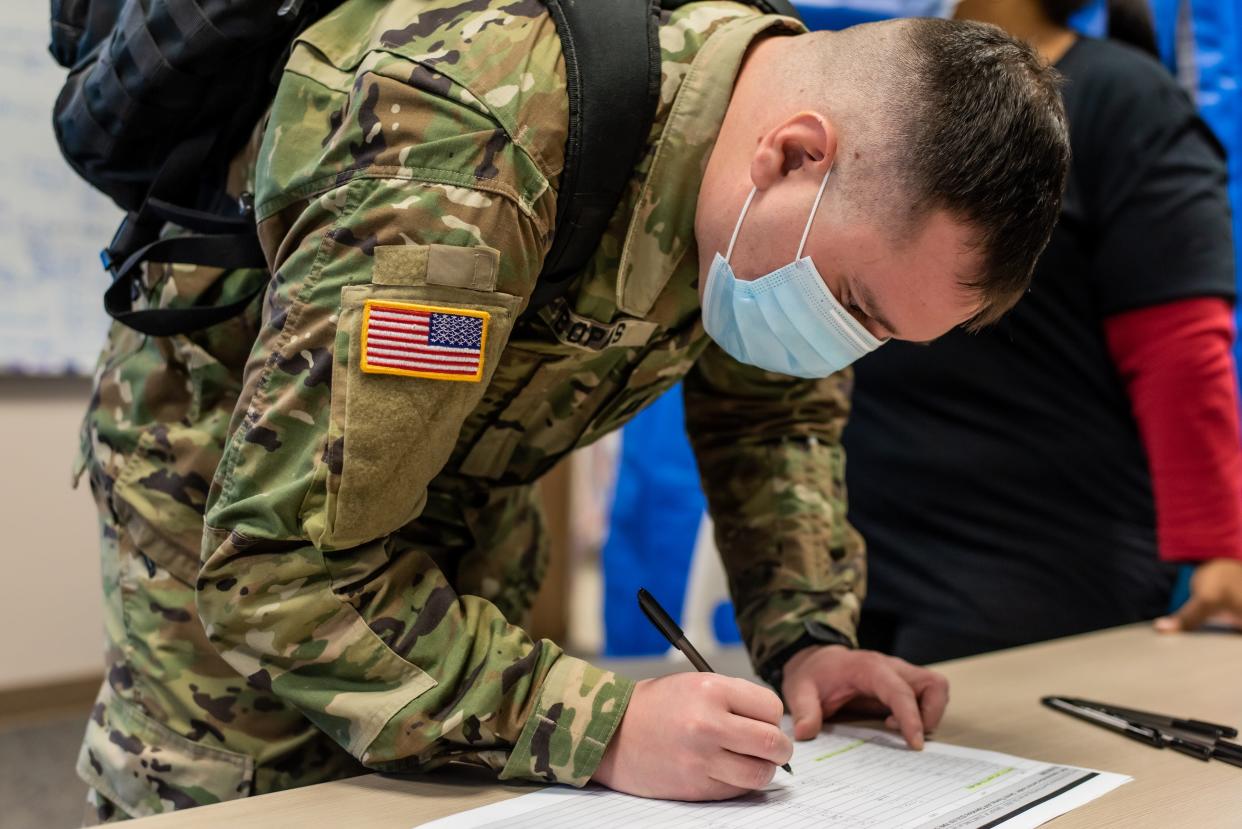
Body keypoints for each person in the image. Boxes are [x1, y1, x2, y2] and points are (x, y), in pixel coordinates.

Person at [72, 0, 1069, 820]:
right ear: (793, 155)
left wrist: (807, 637)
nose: (844, 342)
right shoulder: (470, 148)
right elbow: (283, 572)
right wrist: (604, 725)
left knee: (454, 799)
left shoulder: (774, 175)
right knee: (262, 803)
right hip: (232, 502)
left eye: (880, 334)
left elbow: (773, 419)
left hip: (456, 491)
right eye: (852, 307)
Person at [844, 0, 1242, 666]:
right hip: (860, 546)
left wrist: (1220, 543)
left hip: (1025, 564)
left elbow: (1179, 348)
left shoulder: (1124, 100)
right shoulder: (882, 87)